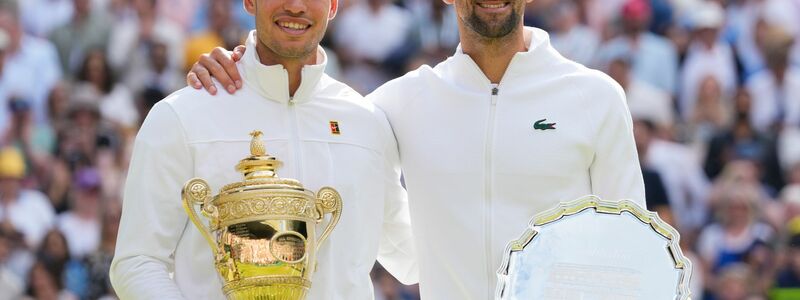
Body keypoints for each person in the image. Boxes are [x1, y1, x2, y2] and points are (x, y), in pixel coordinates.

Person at [188, 0, 647, 298]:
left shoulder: (597, 97)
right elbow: (299, 110)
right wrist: (243, 71)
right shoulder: (399, 102)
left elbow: (632, 250)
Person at [110, 0, 417, 299]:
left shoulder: (368, 123)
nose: (296, 6)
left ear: (334, 5)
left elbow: (413, 257)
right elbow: (137, 262)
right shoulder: (180, 116)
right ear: (249, 2)